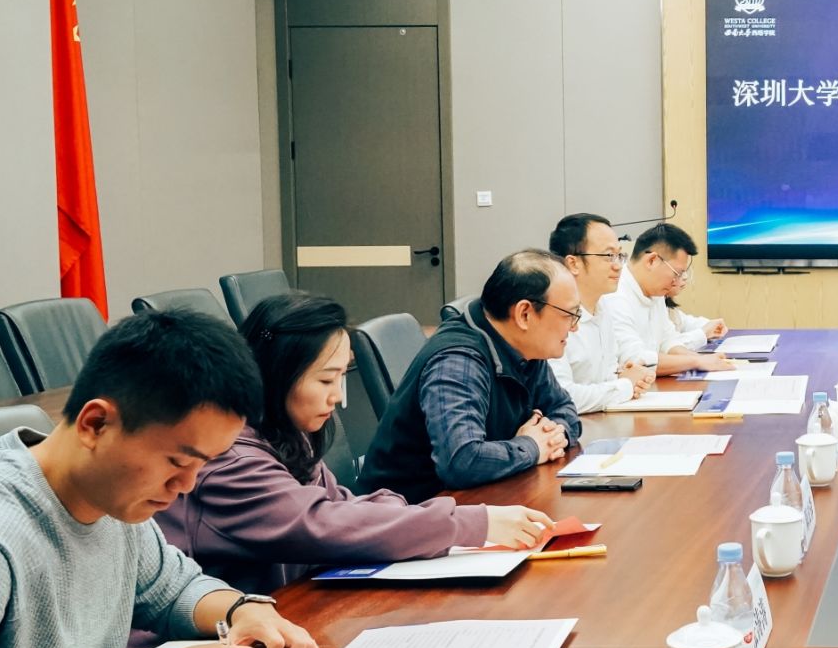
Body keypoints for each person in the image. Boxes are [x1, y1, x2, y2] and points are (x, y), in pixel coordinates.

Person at [0, 310, 319, 648]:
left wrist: (243, 610)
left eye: (202, 465)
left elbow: (173, 588)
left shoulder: (110, 499)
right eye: (177, 461)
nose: (186, 485)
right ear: (95, 423)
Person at [157, 292, 553, 590]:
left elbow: (339, 504)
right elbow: (324, 524)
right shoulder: (228, 459)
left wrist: (415, 515)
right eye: (326, 380)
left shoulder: (287, 435)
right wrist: (471, 523)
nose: (339, 398)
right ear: (276, 375)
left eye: (341, 377)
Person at [360, 251, 584, 502]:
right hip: (407, 511)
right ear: (524, 314)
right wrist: (532, 446)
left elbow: (565, 409)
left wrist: (553, 436)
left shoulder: (525, 347)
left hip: (473, 500)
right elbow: (462, 461)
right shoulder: (458, 362)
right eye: (569, 315)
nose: (575, 326)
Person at [548, 212, 659, 412]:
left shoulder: (603, 307)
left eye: (619, 256)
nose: (618, 266)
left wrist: (626, 376)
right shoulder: (551, 315)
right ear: (573, 263)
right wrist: (625, 385)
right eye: (609, 256)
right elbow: (561, 395)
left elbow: (607, 376)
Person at [601, 222, 729, 377]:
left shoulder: (655, 292)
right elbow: (635, 359)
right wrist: (696, 362)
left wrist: (702, 359)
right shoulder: (615, 296)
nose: (677, 281)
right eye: (677, 273)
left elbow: (668, 341)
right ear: (652, 261)